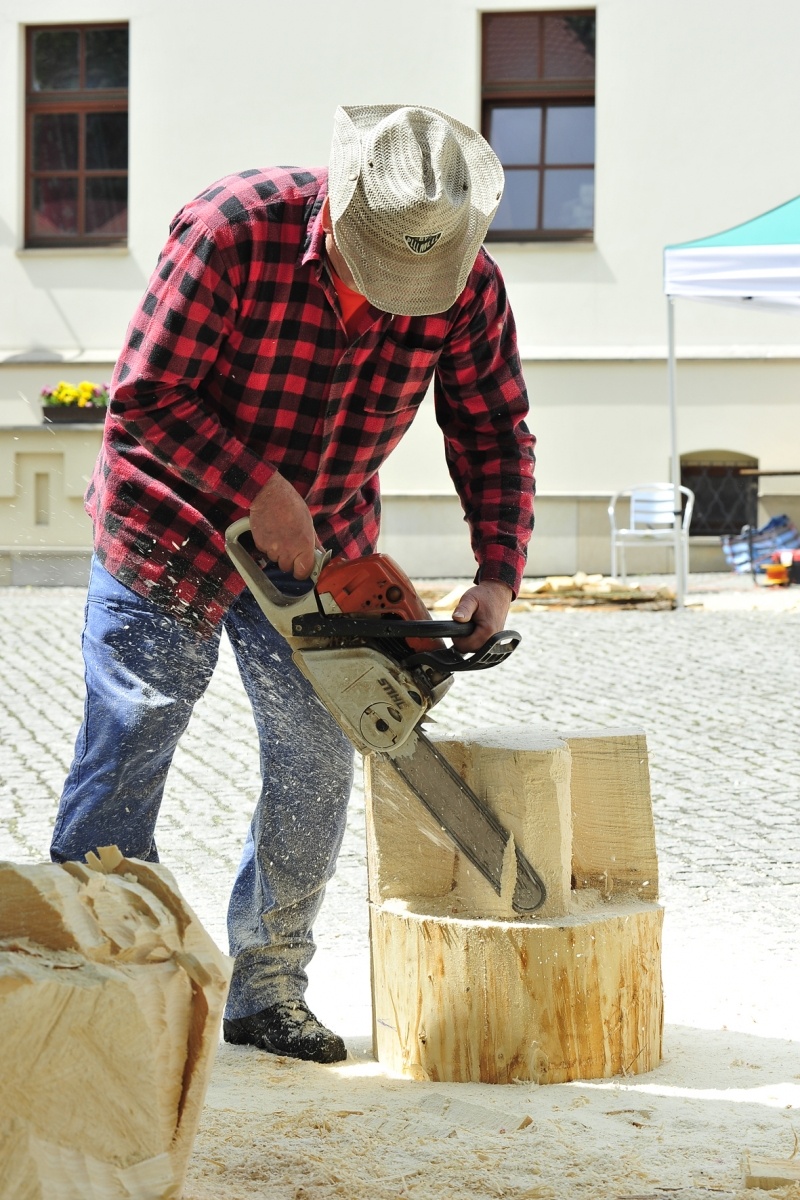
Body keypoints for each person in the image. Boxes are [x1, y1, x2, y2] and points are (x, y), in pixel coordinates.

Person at [50, 104, 535, 1063]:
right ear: (347, 211)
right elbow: (144, 399)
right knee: (137, 725)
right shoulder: (233, 231)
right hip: (171, 521)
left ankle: (267, 988)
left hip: (323, 550)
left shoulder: (464, 284)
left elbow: (491, 427)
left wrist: (497, 569)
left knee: (318, 755)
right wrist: (257, 486)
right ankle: (85, 969)